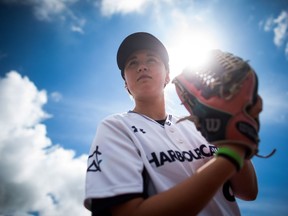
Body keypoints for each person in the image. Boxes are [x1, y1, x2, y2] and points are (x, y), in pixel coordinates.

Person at [84, 32, 258, 216]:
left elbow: (248, 191)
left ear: (167, 76)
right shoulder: (116, 127)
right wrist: (231, 155)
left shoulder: (201, 127)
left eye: (151, 60)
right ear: (126, 83)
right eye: (132, 63)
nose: (142, 66)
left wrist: (230, 134)